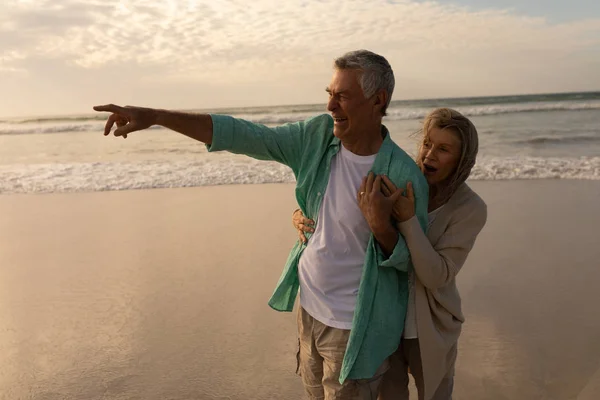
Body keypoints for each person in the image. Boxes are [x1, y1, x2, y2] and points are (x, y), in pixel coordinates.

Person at [94, 50, 430, 399]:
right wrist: (156, 116)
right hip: (310, 308)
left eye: (342, 96)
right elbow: (246, 135)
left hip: (354, 329)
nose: (331, 106)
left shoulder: (404, 177)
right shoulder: (317, 138)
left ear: (378, 101)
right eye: (329, 94)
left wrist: (381, 227)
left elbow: (413, 265)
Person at [292, 108, 487, 400]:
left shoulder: (469, 208)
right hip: (384, 320)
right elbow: (342, 209)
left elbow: (437, 276)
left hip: (430, 326)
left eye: (443, 149)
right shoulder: (398, 177)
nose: (429, 154)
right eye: (427, 144)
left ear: (462, 160)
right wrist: (301, 214)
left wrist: (408, 220)